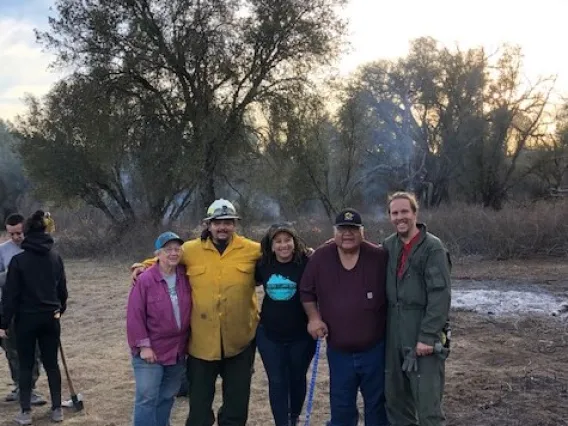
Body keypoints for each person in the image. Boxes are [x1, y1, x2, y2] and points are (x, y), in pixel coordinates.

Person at [131, 199, 260, 426]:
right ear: (207, 224)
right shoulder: (190, 250)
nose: (223, 227)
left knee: (237, 407)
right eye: (217, 222)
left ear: (235, 224)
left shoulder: (252, 249)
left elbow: (283, 253)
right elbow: (165, 257)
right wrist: (143, 266)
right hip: (201, 345)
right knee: (199, 408)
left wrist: (310, 252)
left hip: (239, 343)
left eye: (228, 222)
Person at [300, 208, 389, 426]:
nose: (347, 234)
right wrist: (314, 318)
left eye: (353, 229)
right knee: (341, 408)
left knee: (377, 406)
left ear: (362, 232)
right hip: (339, 352)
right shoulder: (321, 257)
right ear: (334, 232)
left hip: (375, 349)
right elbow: (306, 291)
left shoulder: (379, 256)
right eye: (342, 229)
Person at [383, 192, 451, 426]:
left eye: (404, 212)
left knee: (428, 405)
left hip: (421, 329)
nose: (400, 217)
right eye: (395, 213)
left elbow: (440, 295)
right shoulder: (388, 246)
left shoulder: (433, 248)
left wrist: (428, 336)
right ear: (389, 216)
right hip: (393, 330)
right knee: (396, 401)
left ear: (415, 213)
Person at [0, 210, 68, 425]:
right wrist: (59, 310)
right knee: (51, 364)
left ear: (27, 234)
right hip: (50, 318)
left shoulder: (19, 261)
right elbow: (63, 291)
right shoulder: (55, 257)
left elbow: (11, 296)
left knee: (26, 364)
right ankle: (57, 409)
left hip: (26, 320)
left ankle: (26, 412)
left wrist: (3, 322)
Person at [127, 231, 192, 426]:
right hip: (151, 350)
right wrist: (143, 346)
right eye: (168, 249)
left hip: (177, 350)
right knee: (147, 398)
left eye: (176, 249)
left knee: (167, 396)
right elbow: (134, 315)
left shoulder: (185, 276)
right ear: (158, 254)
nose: (173, 253)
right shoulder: (145, 279)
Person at [255, 223, 315, 426]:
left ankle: (294, 417)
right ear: (271, 246)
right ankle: (282, 422)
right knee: (277, 381)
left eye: (287, 240)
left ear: (294, 242)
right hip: (269, 335)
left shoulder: (307, 261)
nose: (283, 245)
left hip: (301, 335)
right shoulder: (262, 264)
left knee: (297, 379)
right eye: (278, 242)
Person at [0, 213, 46, 406]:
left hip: (32, 307)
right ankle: (19, 385)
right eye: (12, 234)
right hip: (9, 307)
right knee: (12, 351)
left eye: (19, 233)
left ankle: (31, 388)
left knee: (33, 351)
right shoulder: (2, 251)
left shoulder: (35, 248)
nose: (16, 237)